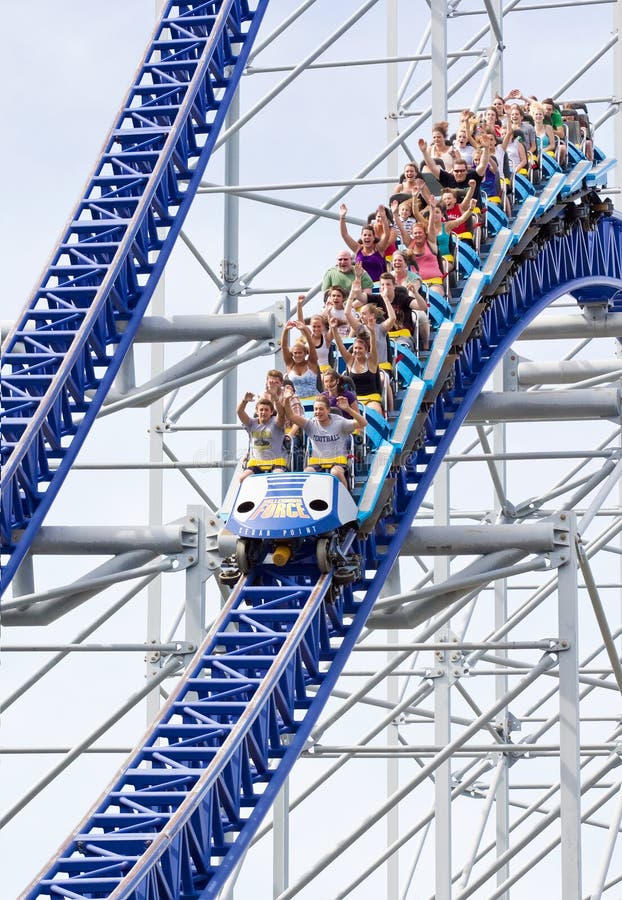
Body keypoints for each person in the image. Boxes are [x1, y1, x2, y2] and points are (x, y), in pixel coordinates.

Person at [283, 393, 367, 490]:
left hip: (338, 461)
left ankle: (346, 494)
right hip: (317, 461)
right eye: (316, 409)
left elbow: (363, 423)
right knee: (307, 472)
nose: (318, 412)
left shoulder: (339, 422)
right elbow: (291, 416)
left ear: (328, 410)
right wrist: (287, 400)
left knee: (335, 472)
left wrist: (348, 409)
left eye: (321, 409)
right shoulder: (310, 423)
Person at [330, 317, 384, 418]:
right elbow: (340, 346)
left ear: (366, 350)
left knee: (375, 410)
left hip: (371, 399)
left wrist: (372, 332)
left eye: (360, 348)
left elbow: (373, 347)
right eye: (355, 348)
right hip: (354, 399)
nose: (357, 351)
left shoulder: (371, 362)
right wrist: (334, 329)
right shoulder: (350, 361)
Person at [418, 138, 489, 205]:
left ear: (466, 171)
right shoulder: (448, 179)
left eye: (462, 171)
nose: (459, 173)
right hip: (454, 212)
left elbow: (483, 165)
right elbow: (433, 167)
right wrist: (424, 152)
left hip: (474, 211)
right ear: (453, 171)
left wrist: (486, 148)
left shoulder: (473, 177)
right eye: (457, 171)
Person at [237, 393, 286, 481]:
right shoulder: (251, 423)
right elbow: (239, 412)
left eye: (266, 410)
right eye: (261, 410)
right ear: (257, 411)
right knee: (242, 478)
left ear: (271, 412)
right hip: (256, 464)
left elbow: (282, 414)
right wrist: (244, 401)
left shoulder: (276, 423)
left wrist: (276, 398)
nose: (263, 412)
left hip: (276, 463)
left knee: (278, 477)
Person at [339, 203, 392, 283]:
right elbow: (344, 235)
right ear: (361, 237)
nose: (367, 237)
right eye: (365, 235)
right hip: (363, 286)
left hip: (378, 286)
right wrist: (342, 217)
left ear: (373, 237)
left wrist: (383, 218)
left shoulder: (379, 249)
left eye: (369, 235)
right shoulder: (357, 249)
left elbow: (387, 235)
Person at [281, 319, 320, 400]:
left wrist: (305, 329)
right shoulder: (290, 365)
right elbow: (284, 347)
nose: (297, 355)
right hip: (297, 402)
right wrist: (285, 330)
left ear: (305, 353)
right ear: (292, 354)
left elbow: (312, 346)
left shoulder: (311, 363)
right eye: (295, 353)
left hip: (314, 400)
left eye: (300, 353)